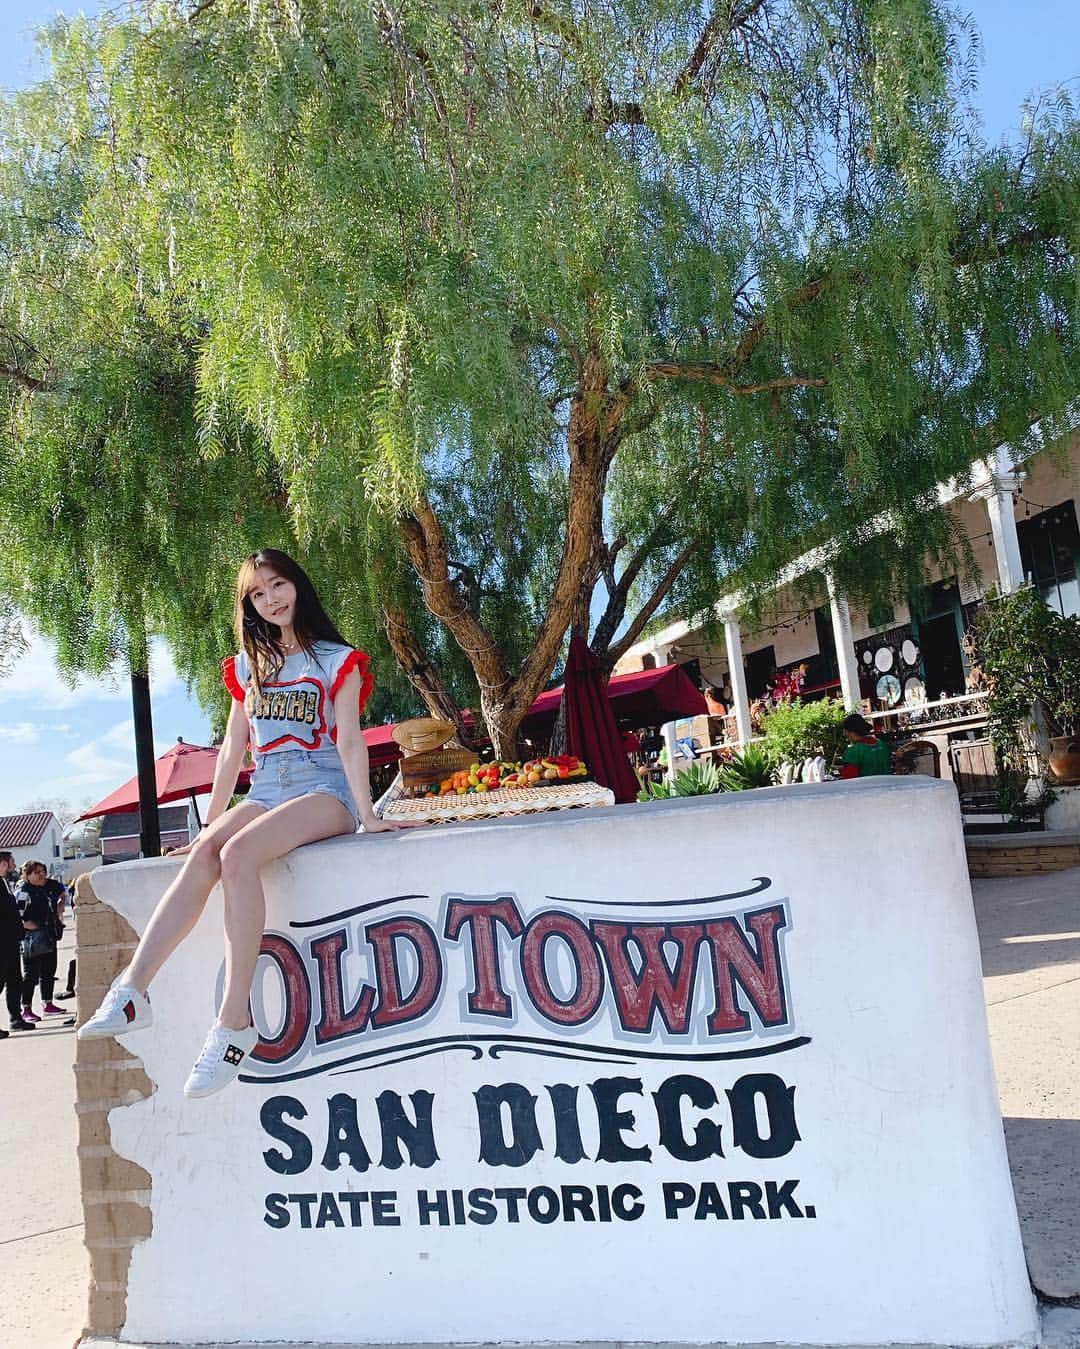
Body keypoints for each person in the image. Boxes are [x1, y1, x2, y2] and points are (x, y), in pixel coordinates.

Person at [79, 548, 419, 1097]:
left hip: (324, 789)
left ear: (297, 586)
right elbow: (234, 748)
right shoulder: (247, 667)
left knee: (237, 857)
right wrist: (209, 824)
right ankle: (131, 990)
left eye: (278, 585)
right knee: (208, 852)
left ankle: (233, 1022)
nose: (270, 599)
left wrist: (370, 814)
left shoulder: (338, 661)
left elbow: (351, 741)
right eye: (257, 594)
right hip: (266, 789)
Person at [15, 860, 67, 1019]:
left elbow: (62, 892)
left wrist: (60, 907)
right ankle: (26, 1009)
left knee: (48, 971)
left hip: (49, 934)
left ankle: (48, 1003)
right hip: (32, 938)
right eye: (36, 872)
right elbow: (18, 915)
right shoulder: (23, 892)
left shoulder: (48, 887)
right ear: (27, 874)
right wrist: (30, 926)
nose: (41, 874)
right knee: (30, 975)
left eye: (42, 871)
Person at [0, 851, 35, 1034]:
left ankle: (16, 1018)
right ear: (4, 863)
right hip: (2, 942)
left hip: (11, 942)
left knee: (14, 981)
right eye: (12, 862)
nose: (14, 865)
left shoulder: (5, 883)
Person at [838, 713, 893, 778]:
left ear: (852, 732)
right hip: (888, 785)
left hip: (866, 787)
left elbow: (850, 777)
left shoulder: (853, 751)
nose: (844, 734)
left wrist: (841, 770)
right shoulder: (882, 744)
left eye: (845, 732)